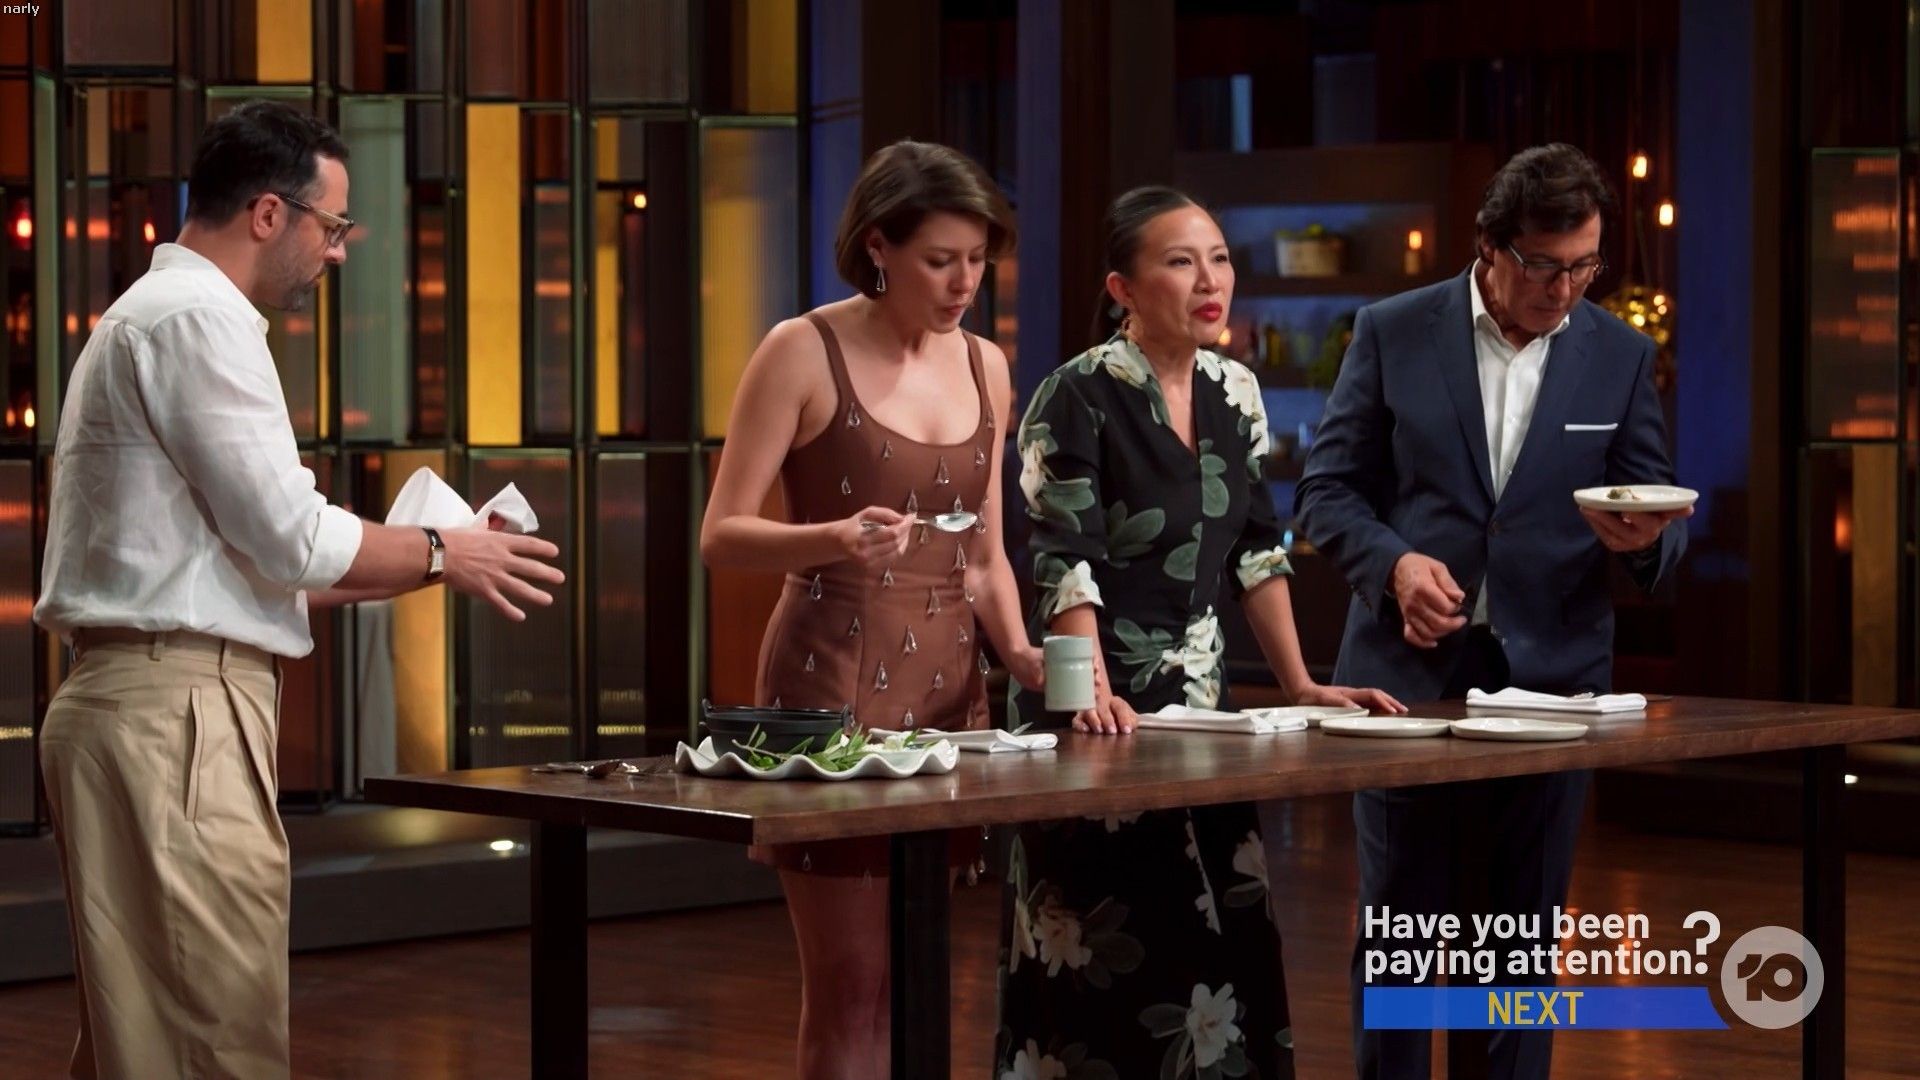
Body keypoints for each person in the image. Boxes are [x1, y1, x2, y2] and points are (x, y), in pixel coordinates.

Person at [32, 101, 565, 1080]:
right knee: (216, 1037)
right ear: (269, 213)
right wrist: (440, 550)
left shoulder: (153, 313)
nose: (338, 251)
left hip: (147, 705)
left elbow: (244, 567)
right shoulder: (198, 318)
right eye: (334, 225)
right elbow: (291, 534)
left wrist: (422, 559)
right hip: (177, 715)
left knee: (144, 1043)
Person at [1294, 142, 1690, 1080]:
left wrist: (1646, 543)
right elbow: (1326, 491)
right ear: (1489, 246)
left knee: (1515, 947)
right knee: (1402, 943)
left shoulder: (1620, 354)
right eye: (1544, 265)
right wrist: (1394, 566)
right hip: (1403, 687)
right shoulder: (1392, 329)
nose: (1565, 289)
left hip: (1553, 686)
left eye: (1584, 267)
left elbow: (1658, 513)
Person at [996, 186, 1403, 1079]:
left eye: (1219, 258)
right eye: (1181, 262)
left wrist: (1300, 683)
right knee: (1108, 952)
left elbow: (1257, 549)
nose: (1210, 280)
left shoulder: (1235, 390)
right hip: (1094, 710)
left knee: (1222, 944)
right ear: (1123, 288)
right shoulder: (1074, 396)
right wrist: (1091, 694)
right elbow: (1064, 562)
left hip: (1203, 720)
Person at [699, 139, 1042, 1080]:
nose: (964, 282)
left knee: (915, 979)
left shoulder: (987, 364)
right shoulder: (799, 349)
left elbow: (985, 554)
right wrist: (834, 538)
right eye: (940, 260)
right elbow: (721, 535)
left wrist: (1020, 651)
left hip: (947, 688)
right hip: (830, 679)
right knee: (851, 987)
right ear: (879, 246)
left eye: (977, 260)